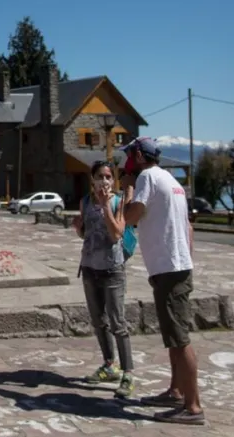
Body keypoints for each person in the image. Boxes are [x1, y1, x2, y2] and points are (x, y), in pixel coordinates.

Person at [122, 137, 203, 425]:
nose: (127, 161)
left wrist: (128, 191)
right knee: (173, 335)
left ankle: (192, 406)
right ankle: (176, 390)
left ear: (140, 156)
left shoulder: (146, 177)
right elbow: (188, 227)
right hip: (176, 264)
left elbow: (131, 217)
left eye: (129, 154)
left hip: (168, 268)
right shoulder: (169, 178)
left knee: (180, 339)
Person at [74, 160, 135, 398]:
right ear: (92, 179)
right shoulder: (85, 202)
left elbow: (116, 232)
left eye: (109, 176)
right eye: (100, 176)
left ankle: (128, 372)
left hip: (112, 270)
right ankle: (110, 364)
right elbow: (87, 233)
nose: (105, 181)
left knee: (118, 323)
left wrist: (105, 205)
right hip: (90, 268)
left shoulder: (118, 201)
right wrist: (79, 229)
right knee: (99, 322)